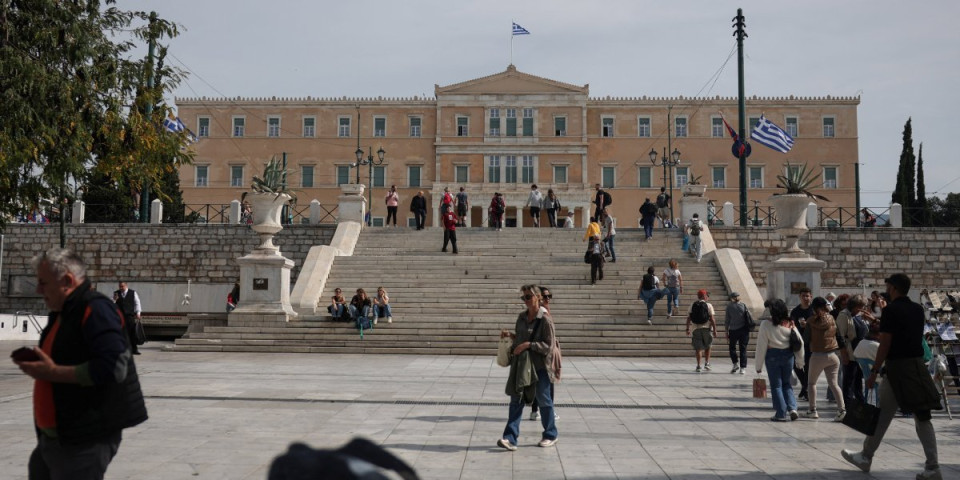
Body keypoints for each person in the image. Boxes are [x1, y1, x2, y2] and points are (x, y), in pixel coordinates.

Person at [14, 248, 147, 479]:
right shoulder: (64, 310)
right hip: (56, 437)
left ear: (67, 280)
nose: (38, 290)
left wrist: (53, 372)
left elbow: (114, 367)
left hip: (84, 438)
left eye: (43, 283)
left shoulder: (96, 309)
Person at [842, 274, 943, 480]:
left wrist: (874, 371)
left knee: (889, 416)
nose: (886, 289)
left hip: (898, 368)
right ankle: (930, 467)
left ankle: (867, 457)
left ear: (894, 288)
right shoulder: (917, 309)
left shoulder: (891, 311)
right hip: (916, 367)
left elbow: (885, 343)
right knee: (917, 416)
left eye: (888, 286)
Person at [497, 284, 558, 451]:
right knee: (516, 399)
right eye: (523, 297)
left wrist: (528, 345)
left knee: (544, 400)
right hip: (523, 366)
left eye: (528, 297)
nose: (526, 300)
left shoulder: (545, 319)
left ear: (538, 297)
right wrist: (511, 336)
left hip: (539, 367)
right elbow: (520, 341)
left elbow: (549, 346)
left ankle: (550, 434)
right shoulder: (522, 317)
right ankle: (510, 438)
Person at [755, 298, 805, 421]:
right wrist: (800, 361)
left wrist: (758, 365)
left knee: (776, 385)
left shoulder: (766, 324)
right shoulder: (790, 323)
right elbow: (800, 342)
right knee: (786, 384)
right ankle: (792, 408)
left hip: (772, 355)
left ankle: (781, 413)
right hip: (788, 356)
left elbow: (761, 345)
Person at [802, 297, 846, 421]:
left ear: (814, 308)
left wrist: (805, 326)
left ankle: (812, 410)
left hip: (817, 355)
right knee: (834, 384)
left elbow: (806, 339)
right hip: (833, 355)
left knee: (811, 383)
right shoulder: (832, 318)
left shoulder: (811, 321)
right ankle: (842, 410)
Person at [530, 286, 560, 422]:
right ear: (538, 298)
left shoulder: (545, 310)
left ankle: (535, 411)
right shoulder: (541, 312)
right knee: (547, 383)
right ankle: (546, 411)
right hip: (543, 352)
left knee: (541, 383)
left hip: (544, 351)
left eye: (549, 296)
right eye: (545, 296)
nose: (548, 299)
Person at [836, 294, 869, 402]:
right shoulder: (844, 315)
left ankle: (860, 404)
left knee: (858, 381)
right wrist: (844, 354)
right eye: (862, 306)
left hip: (860, 353)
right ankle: (848, 405)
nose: (863, 309)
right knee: (849, 381)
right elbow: (840, 336)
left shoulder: (859, 315)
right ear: (856, 305)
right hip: (850, 353)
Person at [791, 287, 815, 401]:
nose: (806, 298)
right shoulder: (795, 311)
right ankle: (805, 386)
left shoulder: (814, 311)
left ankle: (805, 389)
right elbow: (791, 326)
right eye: (803, 296)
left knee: (809, 367)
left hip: (811, 342)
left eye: (807, 296)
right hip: (798, 342)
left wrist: (808, 326)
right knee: (797, 366)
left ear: (811, 297)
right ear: (800, 297)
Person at [686, 289, 717, 372]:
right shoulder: (708, 305)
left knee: (698, 348)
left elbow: (689, 318)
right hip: (706, 328)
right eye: (706, 295)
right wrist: (714, 330)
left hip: (695, 329)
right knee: (708, 346)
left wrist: (687, 328)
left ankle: (698, 366)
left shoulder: (693, 304)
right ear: (704, 296)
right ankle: (707, 363)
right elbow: (712, 319)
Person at [725, 292, 752, 374]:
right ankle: (742, 368)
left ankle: (735, 363)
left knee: (732, 348)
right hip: (744, 330)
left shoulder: (729, 307)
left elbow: (727, 320)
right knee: (743, 349)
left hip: (733, 330)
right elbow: (749, 315)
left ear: (731, 298)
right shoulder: (743, 305)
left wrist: (726, 331)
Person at [113, 281, 143, 355]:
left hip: (129, 316)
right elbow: (112, 304)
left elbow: (137, 303)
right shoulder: (116, 293)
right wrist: (114, 299)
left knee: (132, 333)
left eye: (122, 286)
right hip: (119, 316)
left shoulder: (132, 293)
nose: (121, 288)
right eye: (120, 286)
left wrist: (138, 313)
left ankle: (134, 349)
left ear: (126, 285)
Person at [584, 216, 604, 285]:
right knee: (593, 269)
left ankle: (601, 276)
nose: (597, 239)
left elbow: (588, 232)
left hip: (599, 256)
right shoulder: (597, 225)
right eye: (596, 239)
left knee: (600, 268)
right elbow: (588, 250)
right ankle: (593, 280)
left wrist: (585, 238)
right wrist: (590, 250)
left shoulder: (601, 244)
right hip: (593, 256)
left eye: (598, 238)